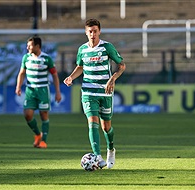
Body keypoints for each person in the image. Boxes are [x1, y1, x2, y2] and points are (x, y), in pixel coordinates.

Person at [64, 18, 126, 169]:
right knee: (92, 123)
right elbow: (80, 67)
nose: (92, 34)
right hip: (88, 92)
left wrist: (113, 78)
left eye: (95, 31)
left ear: (99, 31)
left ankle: (111, 149)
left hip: (105, 92)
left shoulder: (107, 47)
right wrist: (71, 77)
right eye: (90, 32)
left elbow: (122, 65)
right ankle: (97, 156)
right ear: (86, 32)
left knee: (106, 127)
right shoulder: (82, 50)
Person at [15, 36, 62, 149]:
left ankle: (43, 141)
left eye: (30, 45)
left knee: (43, 114)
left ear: (37, 46)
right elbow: (22, 73)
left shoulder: (46, 59)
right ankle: (37, 134)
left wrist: (58, 92)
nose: (27, 47)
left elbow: (54, 75)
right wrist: (18, 86)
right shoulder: (26, 58)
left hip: (43, 90)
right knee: (27, 115)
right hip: (30, 90)